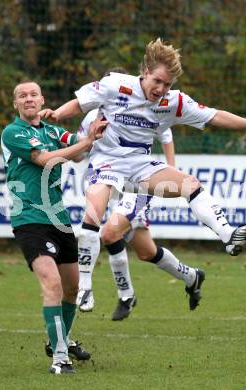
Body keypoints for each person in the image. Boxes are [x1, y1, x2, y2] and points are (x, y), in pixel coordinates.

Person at [39, 38, 246, 313]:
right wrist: (57, 114)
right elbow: (79, 103)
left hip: (140, 165)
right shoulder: (115, 85)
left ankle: (228, 235)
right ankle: (85, 288)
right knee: (95, 218)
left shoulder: (173, 102)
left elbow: (214, 116)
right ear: (144, 71)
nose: (161, 89)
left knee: (190, 184)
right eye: (157, 81)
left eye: (167, 84)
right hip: (107, 163)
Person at [1, 81, 105, 374]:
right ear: (16, 104)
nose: (28, 98)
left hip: (59, 219)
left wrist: (96, 130)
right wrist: (86, 142)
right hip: (30, 220)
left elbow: (79, 150)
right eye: (22, 95)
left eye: (33, 94)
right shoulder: (14, 132)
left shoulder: (53, 131)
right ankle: (60, 358)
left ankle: (60, 339)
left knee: (72, 288)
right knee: (53, 285)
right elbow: (45, 159)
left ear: (42, 99)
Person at [76, 106, 204, 321]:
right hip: (109, 182)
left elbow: (166, 136)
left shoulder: (141, 109)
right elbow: (79, 152)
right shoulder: (93, 116)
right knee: (147, 252)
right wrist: (72, 149)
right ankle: (192, 276)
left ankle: (126, 295)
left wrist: (169, 173)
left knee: (108, 234)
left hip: (137, 185)